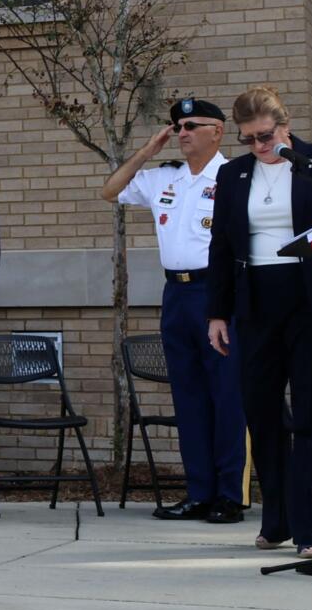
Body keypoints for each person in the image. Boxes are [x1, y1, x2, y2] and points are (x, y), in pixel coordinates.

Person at [205, 84, 312, 557]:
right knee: (262, 410)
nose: (260, 146)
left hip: (310, 298)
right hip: (255, 301)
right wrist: (217, 312)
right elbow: (221, 248)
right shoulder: (235, 175)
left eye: (266, 135)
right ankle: (276, 520)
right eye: (250, 139)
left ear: (286, 125)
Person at [99, 96, 246, 524]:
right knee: (189, 398)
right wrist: (148, 150)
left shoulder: (234, 176)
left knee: (225, 396)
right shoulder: (166, 178)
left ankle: (229, 495)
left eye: (191, 126)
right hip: (176, 295)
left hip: (217, 294)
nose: (181, 133)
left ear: (216, 132)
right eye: (177, 127)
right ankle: (198, 492)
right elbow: (110, 191)